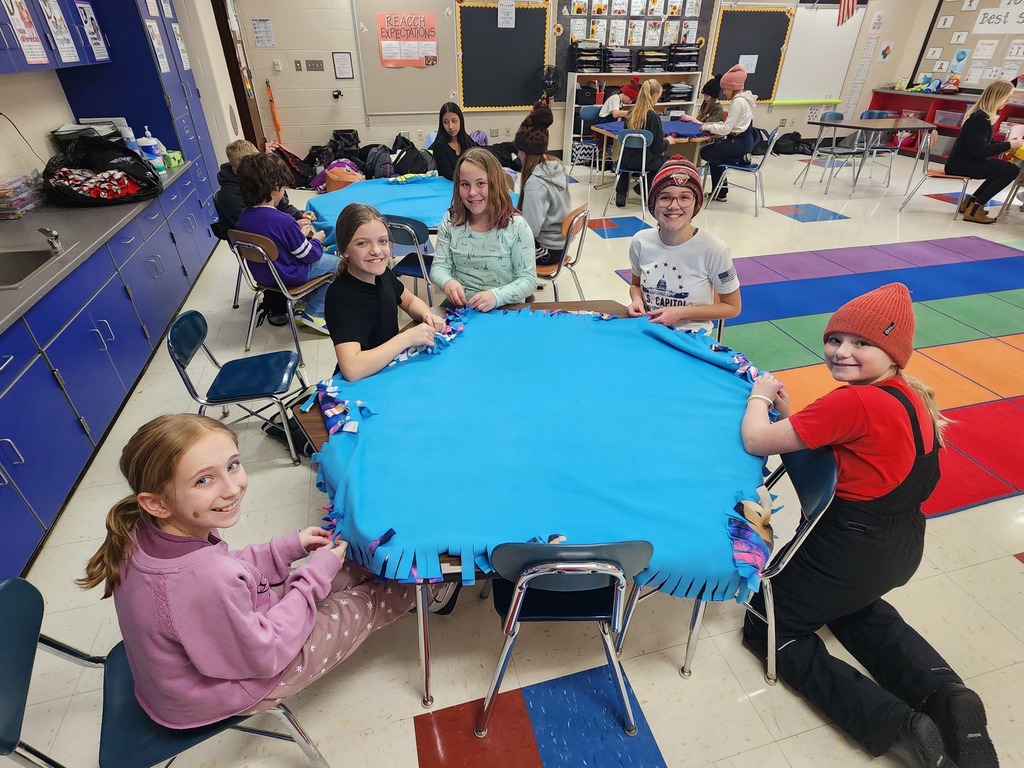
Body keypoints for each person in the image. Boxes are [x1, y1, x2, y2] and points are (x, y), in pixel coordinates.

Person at [739, 283, 998, 768]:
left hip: (848, 549)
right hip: (900, 547)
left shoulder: (852, 403)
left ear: (892, 352)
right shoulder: (911, 396)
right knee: (855, 606)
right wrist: (792, 415)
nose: (842, 351)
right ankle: (946, 695)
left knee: (769, 625)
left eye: (862, 343)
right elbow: (842, 442)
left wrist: (759, 395)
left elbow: (756, 440)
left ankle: (894, 724)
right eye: (835, 339)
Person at [75, 414, 419, 729]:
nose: (231, 488)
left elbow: (230, 567)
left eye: (233, 465)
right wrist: (313, 578)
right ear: (157, 502)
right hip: (225, 689)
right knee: (364, 603)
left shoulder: (143, 528)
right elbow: (267, 653)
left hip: (188, 673)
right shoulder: (208, 578)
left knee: (340, 569)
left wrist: (285, 548)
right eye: (204, 480)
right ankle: (425, 589)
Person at [323, 203, 447, 381]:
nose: (376, 251)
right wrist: (407, 338)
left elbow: (410, 301)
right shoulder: (341, 296)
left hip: (388, 368)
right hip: (362, 382)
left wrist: (427, 315)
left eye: (382, 241)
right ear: (344, 250)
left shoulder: (381, 274)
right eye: (362, 243)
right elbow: (352, 368)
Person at [626, 157, 741, 332]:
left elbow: (732, 307)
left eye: (684, 197)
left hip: (691, 337)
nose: (674, 206)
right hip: (649, 331)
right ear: (653, 203)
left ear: (696, 204)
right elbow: (635, 285)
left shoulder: (715, 250)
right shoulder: (640, 241)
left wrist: (681, 313)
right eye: (665, 197)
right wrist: (637, 300)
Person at [234, 153, 339, 334]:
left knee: (326, 263)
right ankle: (314, 313)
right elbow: (310, 255)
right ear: (275, 187)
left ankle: (302, 306)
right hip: (289, 275)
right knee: (339, 264)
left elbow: (273, 240)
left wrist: (296, 232)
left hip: (264, 276)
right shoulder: (283, 220)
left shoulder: (243, 218)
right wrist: (316, 239)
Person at [429, 147, 537, 311]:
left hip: (505, 307)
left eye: (480, 183)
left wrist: (496, 296)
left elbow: (528, 280)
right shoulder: (451, 221)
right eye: (465, 184)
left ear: (495, 184)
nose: (472, 192)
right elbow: (438, 267)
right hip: (463, 308)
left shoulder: (517, 226)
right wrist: (447, 282)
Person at [945, 79, 1024, 224]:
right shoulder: (981, 119)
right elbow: (980, 151)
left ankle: (971, 202)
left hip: (963, 162)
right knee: (1010, 171)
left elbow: (986, 143)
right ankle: (975, 209)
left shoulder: (982, 116)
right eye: (1007, 97)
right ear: (998, 97)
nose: (1008, 100)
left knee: (1004, 168)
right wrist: (1009, 145)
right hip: (961, 165)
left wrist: (1009, 144)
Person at [213, 139, 315, 240]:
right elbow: (253, 228)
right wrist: (292, 227)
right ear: (236, 171)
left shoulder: (259, 177)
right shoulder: (229, 195)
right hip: (259, 239)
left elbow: (281, 205)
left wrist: (298, 215)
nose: (257, 170)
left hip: (273, 228)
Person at [514, 99, 571, 265]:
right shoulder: (555, 166)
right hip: (561, 246)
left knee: (501, 253)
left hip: (547, 250)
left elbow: (530, 231)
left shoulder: (535, 184)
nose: (518, 155)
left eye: (519, 150)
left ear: (526, 152)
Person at [614, 79, 683, 207]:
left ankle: (621, 194)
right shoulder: (653, 117)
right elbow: (657, 148)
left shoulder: (631, 113)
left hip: (626, 160)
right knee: (668, 161)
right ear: (655, 96)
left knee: (629, 157)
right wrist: (668, 141)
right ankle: (643, 189)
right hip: (645, 162)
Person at [699, 64, 757, 202]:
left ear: (732, 87)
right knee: (715, 155)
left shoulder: (738, 102)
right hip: (745, 142)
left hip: (738, 144)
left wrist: (708, 127)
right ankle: (720, 192)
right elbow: (733, 125)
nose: (724, 92)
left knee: (707, 153)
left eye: (725, 89)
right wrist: (714, 125)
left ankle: (737, 161)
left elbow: (726, 129)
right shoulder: (747, 99)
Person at [429, 102, 477, 181]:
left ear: (460, 121)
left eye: (454, 121)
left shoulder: (466, 139)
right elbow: (449, 174)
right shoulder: (439, 145)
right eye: (445, 122)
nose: (450, 127)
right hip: (449, 184)